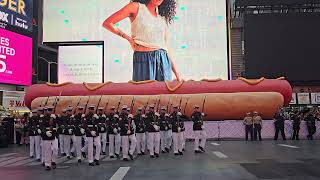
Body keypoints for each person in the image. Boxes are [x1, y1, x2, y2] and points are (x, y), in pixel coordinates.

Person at [102, 0, 181, 82]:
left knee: (164, 94)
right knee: (144, 93)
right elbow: (108, 23)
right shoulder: (135, 7)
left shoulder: (161, 17)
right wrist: (128, 39)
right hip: (143, 59)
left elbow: (165, 47)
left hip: (164, 61)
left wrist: (177, 75)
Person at [41, 106, 58, 171]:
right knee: (47, 151)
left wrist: (55, 118)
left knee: (56, 149)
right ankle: (47, 164)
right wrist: (45, 132)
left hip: (54, 135)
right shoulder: (43, 118)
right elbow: (41, 126)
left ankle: (53, 161)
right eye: (48, 110)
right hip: (46, 135)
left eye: (51, 110)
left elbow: (59, 124)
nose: (50, 111)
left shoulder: (55, 117)